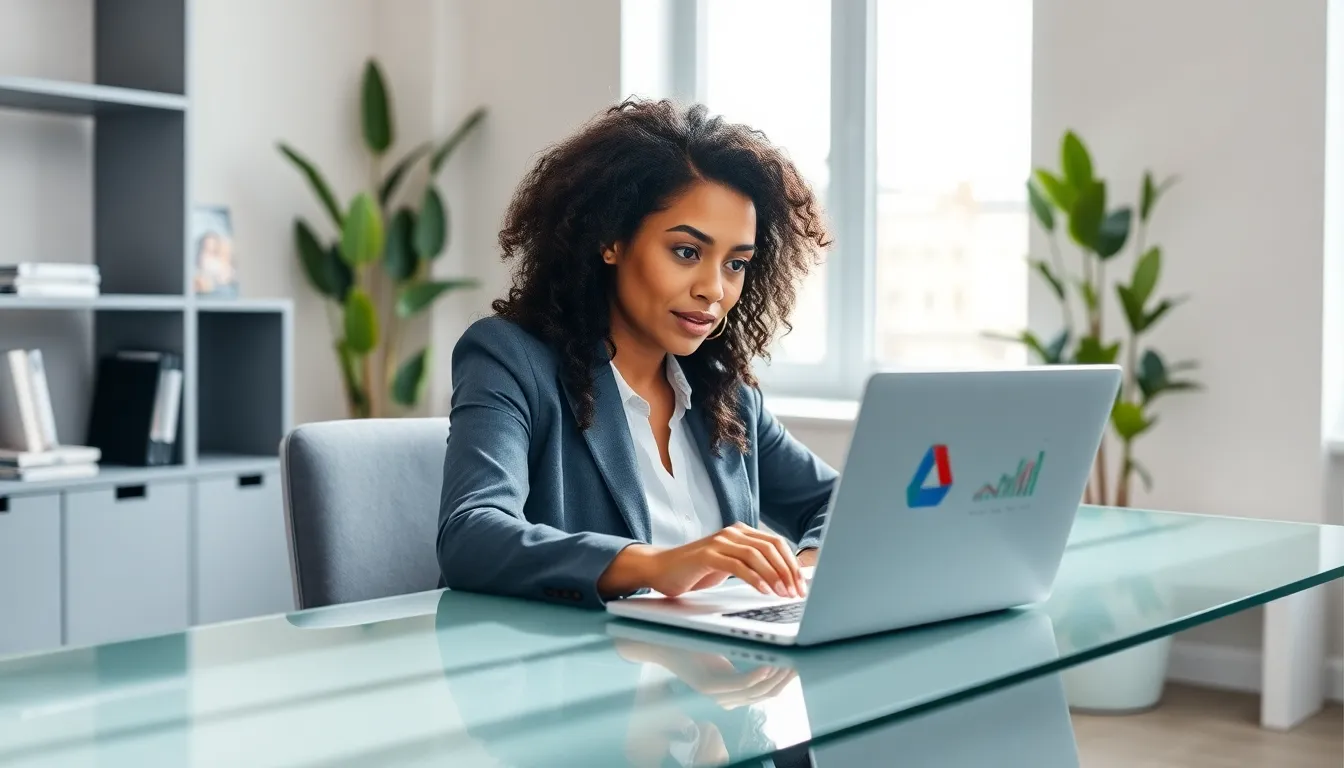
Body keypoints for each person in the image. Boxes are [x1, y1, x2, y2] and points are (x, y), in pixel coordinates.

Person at [437, 98, 838, 609]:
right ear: (612, 240)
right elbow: (470, 536)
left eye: (736, 263)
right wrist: (656, 564)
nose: (713, 289)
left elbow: (840, 502)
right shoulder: (510, 360)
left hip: (721, 675)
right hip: (574, 673)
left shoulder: (723, 391)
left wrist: (803, 570)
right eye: (687, 252)